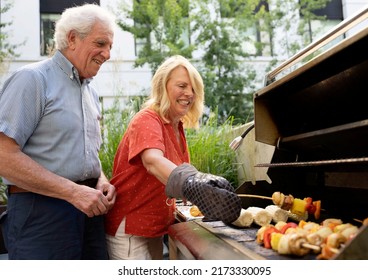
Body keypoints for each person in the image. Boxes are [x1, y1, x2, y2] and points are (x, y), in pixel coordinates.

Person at [0, 4, 116, 260]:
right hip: (42, 213)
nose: (107, 54)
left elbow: (86, 155)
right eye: (101, 43)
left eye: (110, 46)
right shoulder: (32, 79)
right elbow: (3, 156)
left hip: (89, 213)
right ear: (72, 38)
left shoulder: (91, 91)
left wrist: (102, 180)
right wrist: (73, 191)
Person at [105, 55, 241, 260]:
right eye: (182, 85)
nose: (189, 93)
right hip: (131, 227)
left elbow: (169, 178)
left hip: (153, 226)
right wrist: (193, 182)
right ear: (162, 86)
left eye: (193, 88)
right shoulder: (147, 118)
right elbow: (152, 160)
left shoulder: (176, 127)